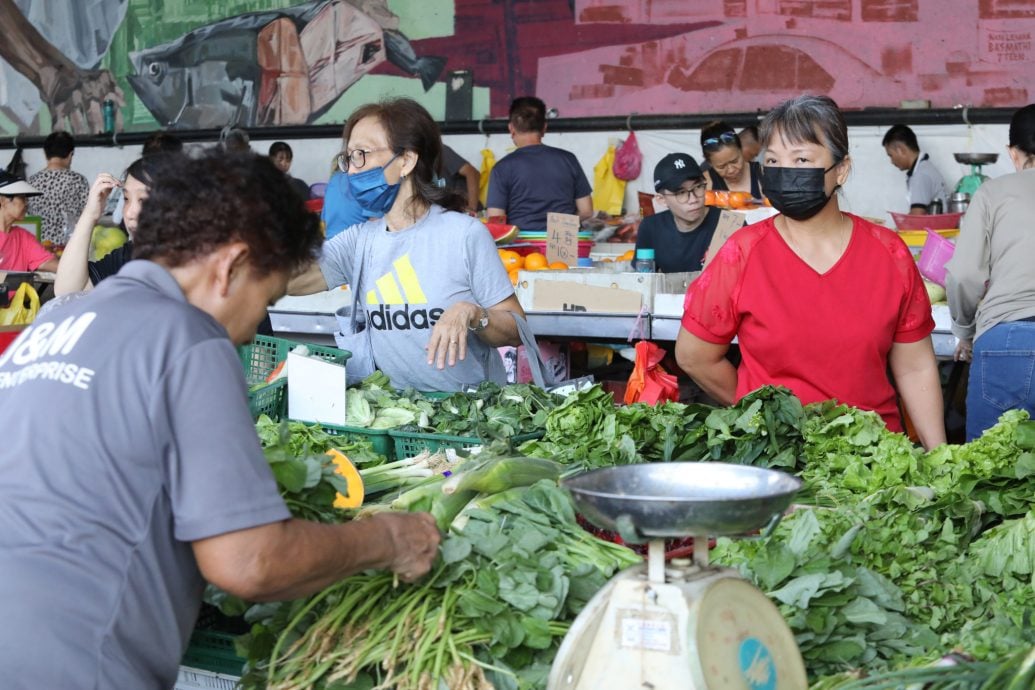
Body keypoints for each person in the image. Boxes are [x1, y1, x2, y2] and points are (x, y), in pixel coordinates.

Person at [0, 151, 441, 689]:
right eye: (267, 299)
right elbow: (250, 562)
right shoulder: (183, 338)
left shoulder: (56, 326)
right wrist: (387, 540)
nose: (255, 332)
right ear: (231, 266)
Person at [675, 95, 945, 449]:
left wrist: (940, 457)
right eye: (773, 160)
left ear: (841, 169)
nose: (785, 171)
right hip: (777, 460)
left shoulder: (888, 252)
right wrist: (767, 417)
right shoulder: (741, 253)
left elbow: (914, 367)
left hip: (873, 459)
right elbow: (695, 355)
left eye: (801, 159)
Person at [290, 97, 524, 391]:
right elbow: (291, 279)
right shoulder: (359, 242)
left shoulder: (463, 234)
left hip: (469, 418)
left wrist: (472, 313)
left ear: (406, 161)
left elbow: (516, 329)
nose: (350, 170)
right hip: (400, 417)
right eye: (348, 158)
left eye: (361, 154)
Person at [945, 103, 1035, 441]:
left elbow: (965, 275)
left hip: (1008, 340)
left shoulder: (992, 193)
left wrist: (964, 332)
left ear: (1013, 153)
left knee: (991, 479)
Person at [54, 156, 162, 295]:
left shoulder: (194, 264)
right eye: (126, 199)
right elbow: (67, 292)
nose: (130, 213)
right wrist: (90, 214)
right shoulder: (127, 257)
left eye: (143, 200)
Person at [486, 96, 592, 230]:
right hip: (563, 242)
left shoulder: (502, 168)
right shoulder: (568, 159)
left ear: (511, 129)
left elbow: (496, 218)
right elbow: (586, 210)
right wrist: (561, 227)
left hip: (520, 244)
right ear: (544, 128)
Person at [635, 153, 741, 273]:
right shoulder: (651, 227)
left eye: (698, 187)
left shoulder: (730, 225)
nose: (693, 199)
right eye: (681, 193)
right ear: (662, 199)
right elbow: (643, 279)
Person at [27, 130, 90, 244]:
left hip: (38, 249)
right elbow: (88, 215)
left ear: (45, 153)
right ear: (70, 155)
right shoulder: (78, 181)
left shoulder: (31, 182)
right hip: (69, 247)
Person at [882, 124, 950, 215]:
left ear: (900, 150)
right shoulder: (924, 168)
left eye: (890, 155)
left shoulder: (920, 175)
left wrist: (896, 228)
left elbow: (917, 214)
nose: (891, 161)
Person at [0, 172, 58, 273]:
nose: (26, 203)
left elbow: (48, 263)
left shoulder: (23, 236)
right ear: (3, 201)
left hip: (21, 289)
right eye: (22, 198)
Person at [700, 121, 763, 199]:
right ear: (709, 163)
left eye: (735, 161)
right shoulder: (705, 185)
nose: (731, 170)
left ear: (741, 150)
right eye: (721, 167)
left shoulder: (763, 174)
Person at [441, 144, 480, 214]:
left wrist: (472, 208)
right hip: (442, 214)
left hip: (463, 212)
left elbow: (472, 173)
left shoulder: (440, 151)